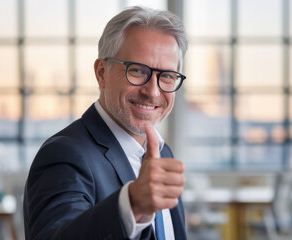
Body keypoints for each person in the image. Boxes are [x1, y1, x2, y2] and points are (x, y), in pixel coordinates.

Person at [23, 6, 188, 240]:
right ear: (102, 72)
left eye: (167, 76)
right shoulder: (65, 153)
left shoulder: (164, 155)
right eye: (138, 71)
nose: (153, 92)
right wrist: (130, 206)